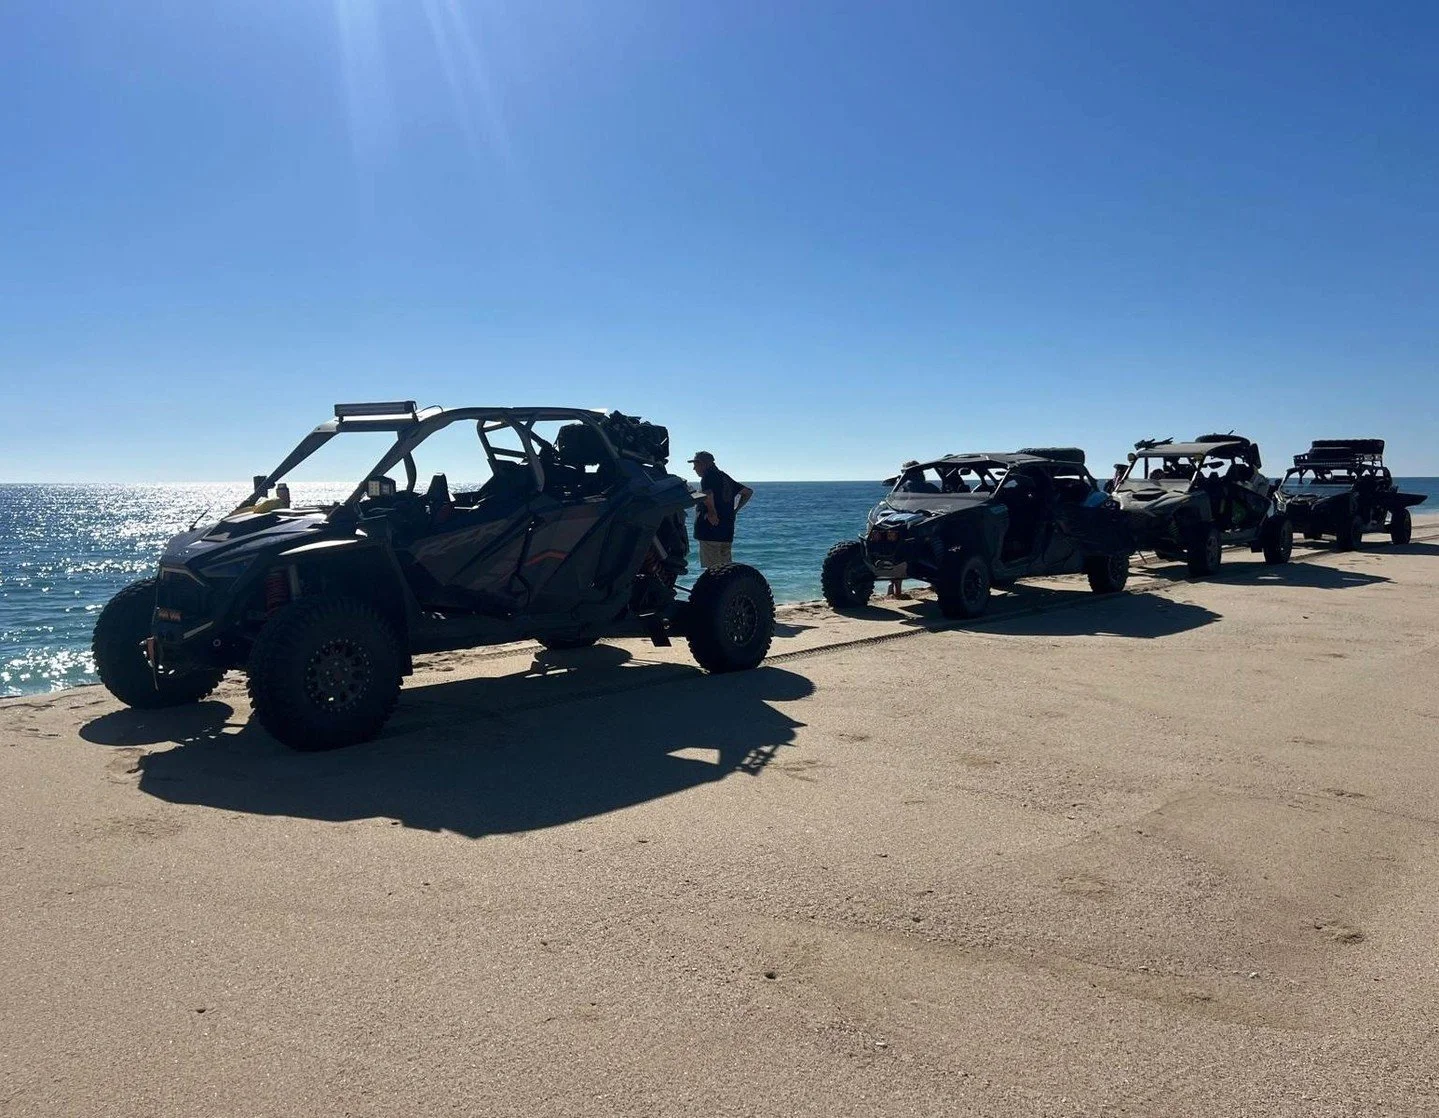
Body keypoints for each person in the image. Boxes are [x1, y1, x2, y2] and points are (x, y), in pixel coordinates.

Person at [689, 451, 753, 568]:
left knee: (713, 569)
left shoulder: (708, 476)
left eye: (696, 465)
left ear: (704, 464)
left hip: (710, 531)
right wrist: (735, 510)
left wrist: (712, 513)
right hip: (726, 531)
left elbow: (708, 494)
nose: (694, 468)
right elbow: (748, 492)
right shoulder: (724, 477)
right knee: (725, 568)